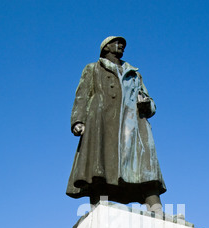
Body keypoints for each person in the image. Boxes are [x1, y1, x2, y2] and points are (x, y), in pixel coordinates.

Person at [66, 36, 166, 215]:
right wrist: (78, 120)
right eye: (117, 43)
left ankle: (156, 208)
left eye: (123, 44)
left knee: (145, 167)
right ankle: (98, 204)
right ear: (105, 48)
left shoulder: (134, 73)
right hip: (102, 121)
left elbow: (151, 104)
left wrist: (146, 104)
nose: (121, 46)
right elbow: (82, 96)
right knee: (100, 162)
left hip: (133, 124)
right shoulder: (92, 68)